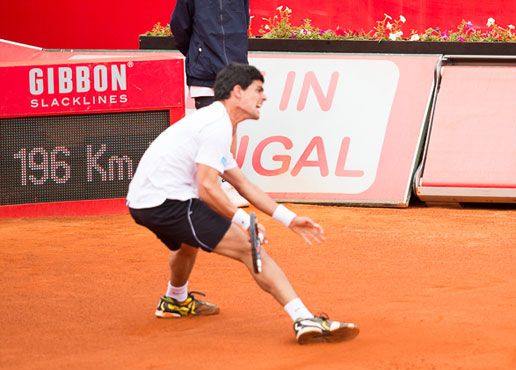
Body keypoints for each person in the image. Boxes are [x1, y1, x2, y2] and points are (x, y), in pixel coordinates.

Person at [126, 63, 359, 344]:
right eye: (258, 90)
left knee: (188, 244)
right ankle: (303, 317)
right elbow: (207, 185)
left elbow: (241, 183)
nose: (264, 97)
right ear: (237, 91)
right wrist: (242, 220)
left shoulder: (214, 121)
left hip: (144, 202)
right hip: (168, 202)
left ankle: (175, 300)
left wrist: (289, 218)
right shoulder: (217, 126)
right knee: (251, 248)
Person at [170, 0, 250, 111]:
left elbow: (243, 27)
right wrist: (199, 54)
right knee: (211, 132)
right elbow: (180, 31)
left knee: (231, 129)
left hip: (235, 74)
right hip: (204, 78)